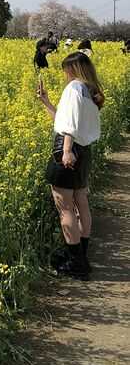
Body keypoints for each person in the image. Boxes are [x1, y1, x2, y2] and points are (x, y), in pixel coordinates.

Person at [37, 52, 104, 279]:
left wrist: (65, 151)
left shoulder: (74, 87)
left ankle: (75, 262)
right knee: (81, 204)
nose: (64, 74)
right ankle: (81, 257)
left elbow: (70, 127)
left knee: (64, 207)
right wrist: (46, 102)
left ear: (73, 70)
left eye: (66, 69)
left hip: (69, 152)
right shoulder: (89, 92)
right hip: (84, 152)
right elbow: (65, 121)